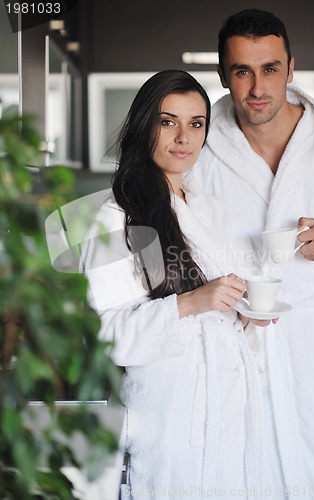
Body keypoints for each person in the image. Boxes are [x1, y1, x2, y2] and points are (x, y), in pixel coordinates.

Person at [80, 70, 274, 499]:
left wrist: (245, 316)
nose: (183, 137)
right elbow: (107, 335)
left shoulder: (212, 210)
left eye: (196, 123)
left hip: (229, 409)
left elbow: (220, 311)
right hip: (168, 416)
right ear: (144, 125)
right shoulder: (117, 218)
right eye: (168, 121)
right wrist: (190, 303)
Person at [193, 8, 314, 499]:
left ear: (291, 68)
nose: (257, 87)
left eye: (270, 68)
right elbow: (159, 230)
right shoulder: (201, 147)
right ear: (222, 75)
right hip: (235, 353)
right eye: (242, 71)